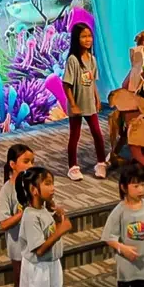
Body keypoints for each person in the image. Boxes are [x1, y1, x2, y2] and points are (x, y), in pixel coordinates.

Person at [61, 22, 107, 181]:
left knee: (97, 133)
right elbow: (66, 84)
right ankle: (72, 167)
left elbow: (92, 80)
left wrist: (97, 97)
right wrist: (73, 104)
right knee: (75, 135)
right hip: (77, 105)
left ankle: (101, 163)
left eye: (89, 36)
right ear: (76, 39)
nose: (88, 40)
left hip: (90, 104)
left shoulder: (92, 59)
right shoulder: (73, 60)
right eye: (84, 36)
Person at [0, 144, 36, 287]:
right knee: (21, 280)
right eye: (26, 161)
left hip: (35, 242)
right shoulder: (6, 191)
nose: (30, 165)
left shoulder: (33, 186)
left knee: (36, 280)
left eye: (32, 162)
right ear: (12, 164)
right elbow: (4, 223)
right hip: (18, 244)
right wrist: (23, 213)